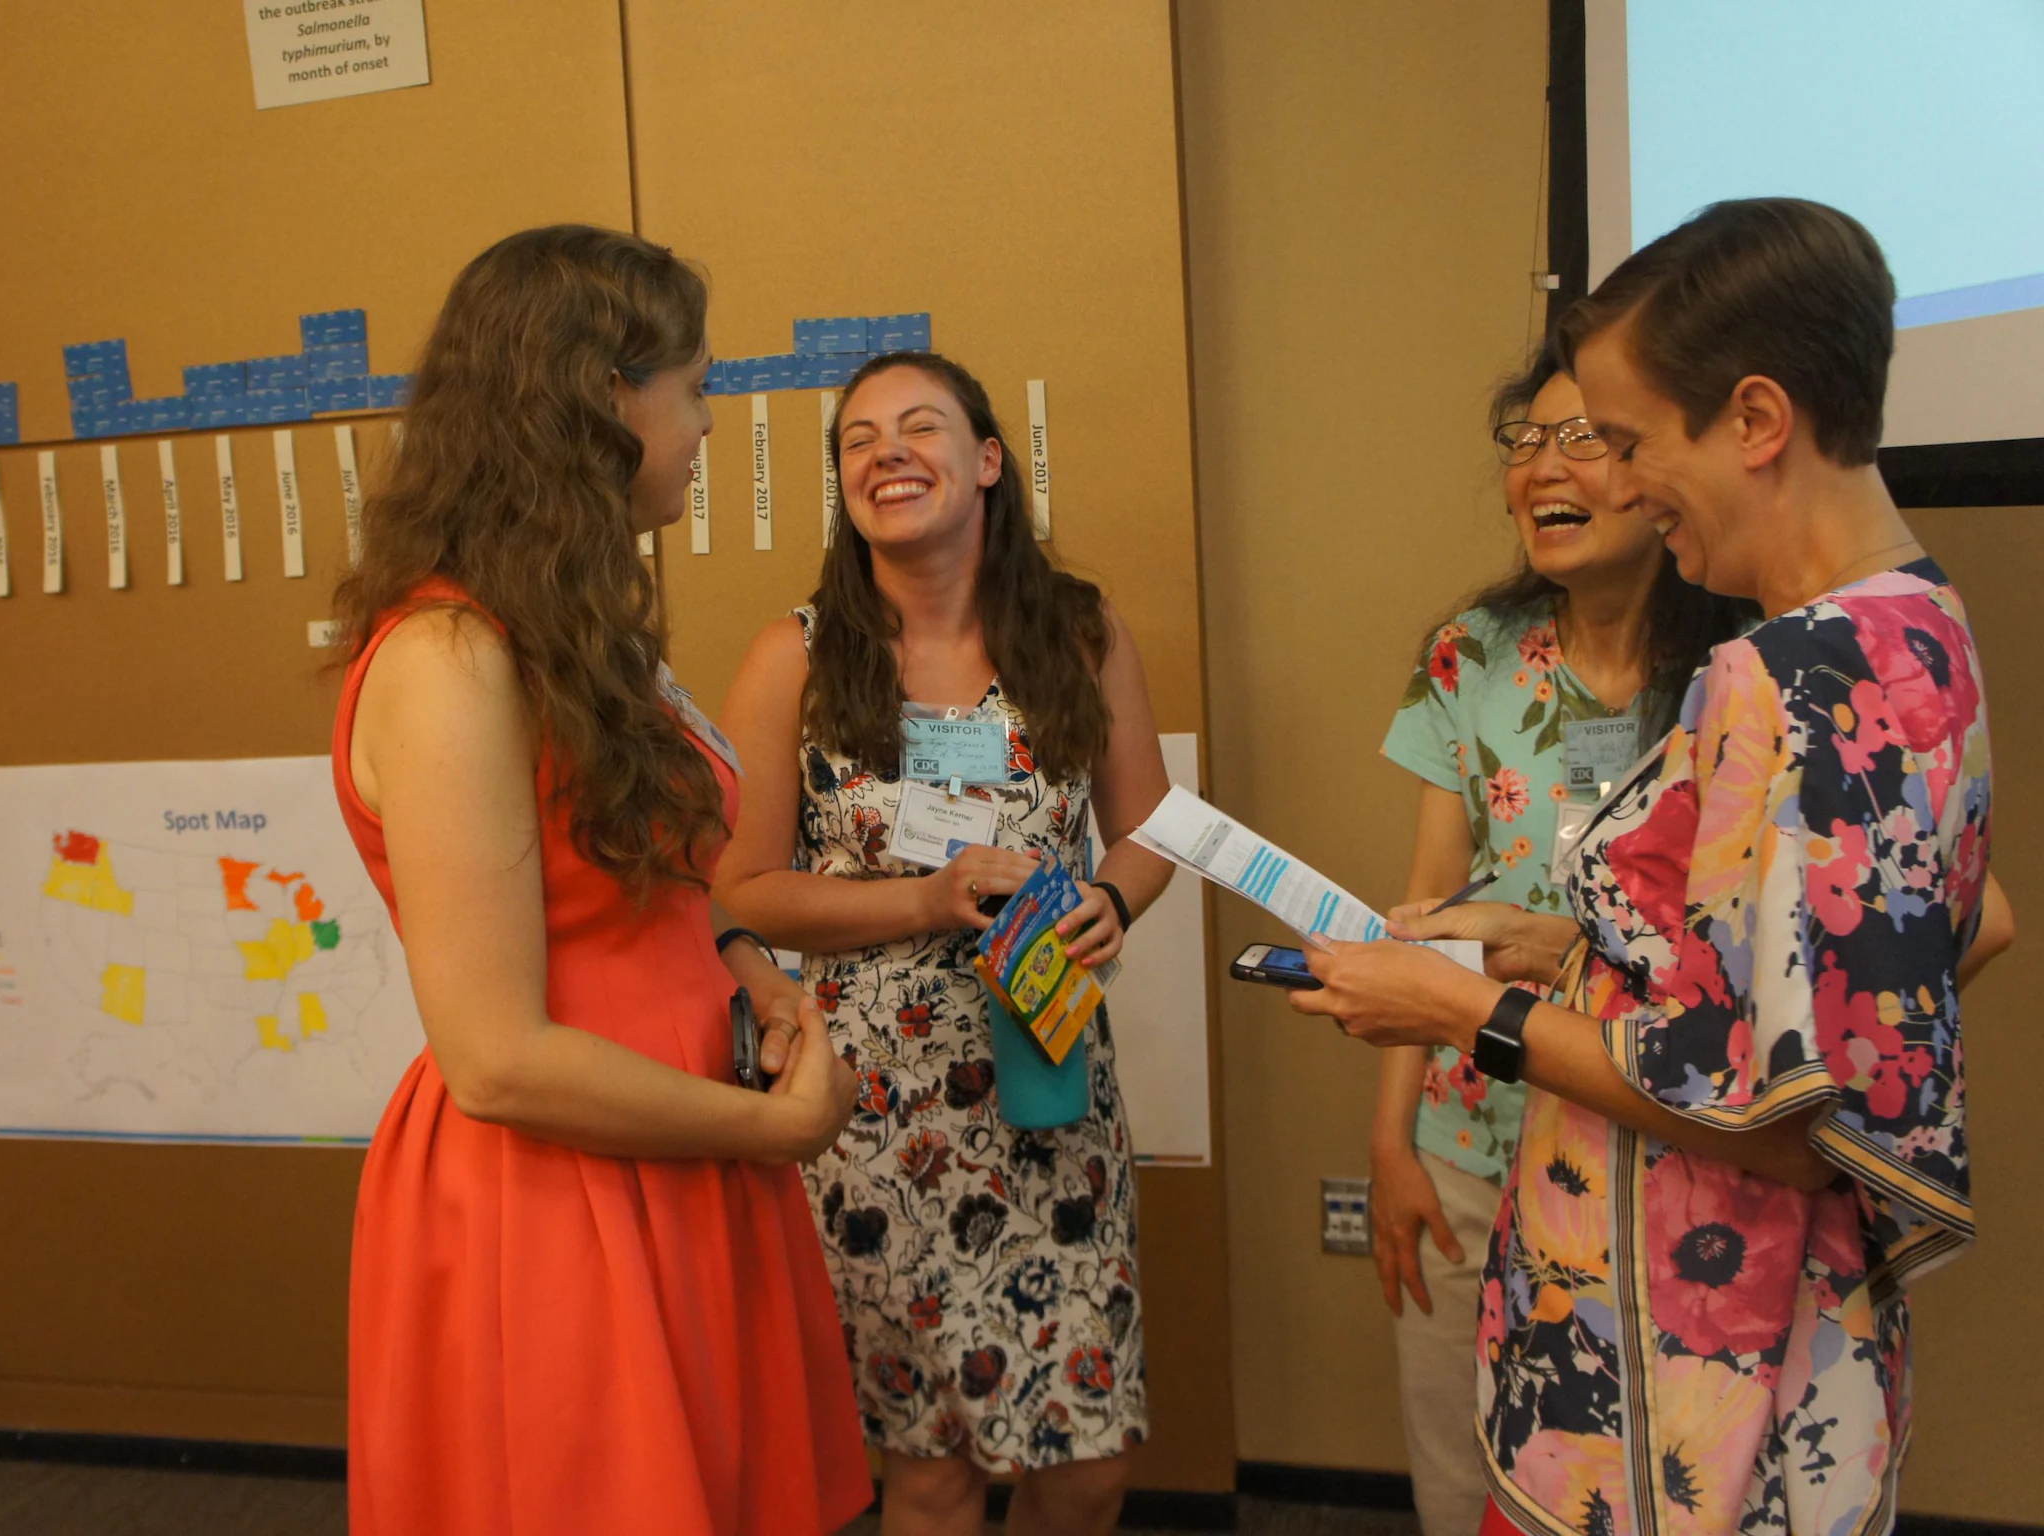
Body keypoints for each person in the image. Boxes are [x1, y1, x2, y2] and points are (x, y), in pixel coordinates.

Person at [1295, 199, 2012, 1535]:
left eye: (1627, 443)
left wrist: (1464, 1011)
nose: (1614, 483)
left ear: (1753, 421)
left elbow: (1790, 1128)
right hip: (1760, 1361)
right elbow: (1836, 975)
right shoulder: (1921, 633)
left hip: (1681, 1398)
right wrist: (1555, 946)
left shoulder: (1784, 678)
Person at [330, 225, 871, 1536]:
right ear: (599, 397)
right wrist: (780, 1129)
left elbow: (661, 885)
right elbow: (499, 1061)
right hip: (565, 1189)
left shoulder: (571, 631)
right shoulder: (450, 660)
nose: (704, 419)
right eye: (691, 384)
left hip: (676, 1146)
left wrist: (751, 977)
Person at [713, 351, 1174, 1536]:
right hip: (877, 1117)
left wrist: (1111, 903)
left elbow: (1153, 830)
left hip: (1048, 1084)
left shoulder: (1076, 633)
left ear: (985, 462)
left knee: (1086, 1459)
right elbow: (742, 889)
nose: (886, 452)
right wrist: (921, 902)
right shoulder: (796, 658)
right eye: (858, 440)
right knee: (929, 1469)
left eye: (919, 427)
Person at [1374, 345, 1755, 1536]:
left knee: (1622, 1485)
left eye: (1584, 437)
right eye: (1525, 440)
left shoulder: (1733, 675)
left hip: (1643, 1142)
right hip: (1464, 1125)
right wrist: (1390, 1138)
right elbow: (1427, 902)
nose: (1543, 464)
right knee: (1458, 1470)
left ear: (1657, 469)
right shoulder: (1473, 652)